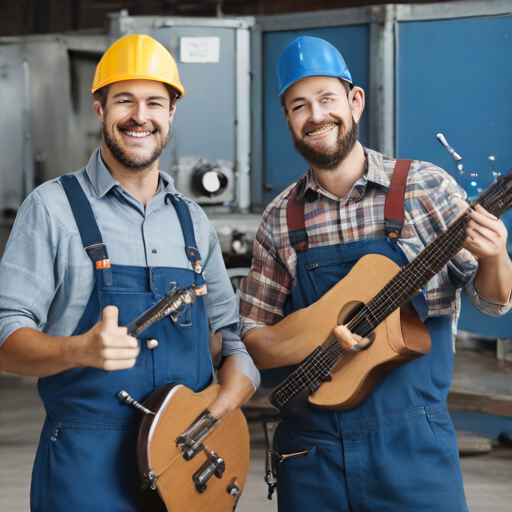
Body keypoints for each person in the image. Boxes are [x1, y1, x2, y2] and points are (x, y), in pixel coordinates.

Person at [239, 36, 512, 512]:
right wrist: (322, 339)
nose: (316, 115)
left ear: (355, 101)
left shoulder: (424, 187)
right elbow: (253, 339)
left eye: (327, 98)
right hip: (313, 452)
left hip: (414, 449)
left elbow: (492, 301)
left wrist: (495, 257)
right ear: (287, 119)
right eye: (298, 105)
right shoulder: (280, 218)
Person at [0, 34, 259, 512]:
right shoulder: (52, 209)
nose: (140, 116)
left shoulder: (192, 221)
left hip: (187, 463)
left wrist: (226, 401)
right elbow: (4, 338)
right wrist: (79, 349)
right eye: (125, 100)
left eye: (154, 102)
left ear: (171, 113)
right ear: (100, 109)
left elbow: (229, 333)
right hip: (86, 470)